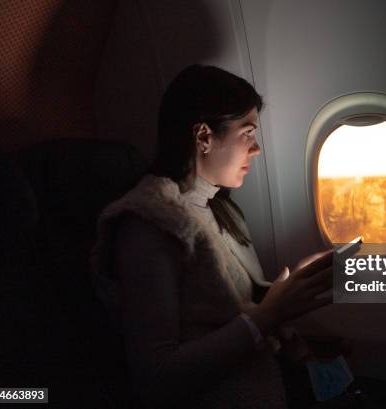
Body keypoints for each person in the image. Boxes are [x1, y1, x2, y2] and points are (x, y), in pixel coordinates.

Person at [90, 64, 333, 409]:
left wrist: (291, 291)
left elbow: (233, 312)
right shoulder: (149, 227)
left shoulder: (223, 211)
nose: (257, 149)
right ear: (204, 137)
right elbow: (156, 379)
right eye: (247, 134)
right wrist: (270, 315)